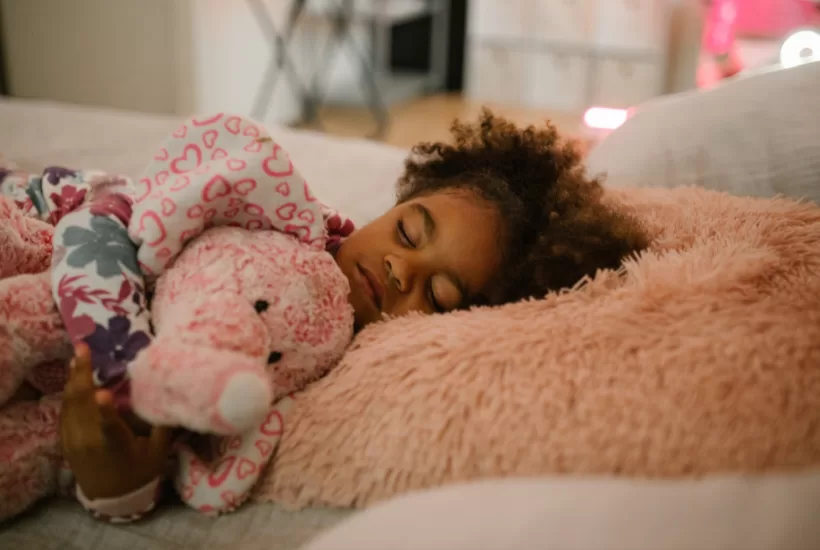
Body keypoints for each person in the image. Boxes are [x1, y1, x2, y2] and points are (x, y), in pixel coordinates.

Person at [56, 109, 648, 515]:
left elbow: (201, 439)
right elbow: (149, 203)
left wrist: (119, 487)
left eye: (438, 295)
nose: (399, 270)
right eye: (410, 232)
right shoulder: (289, 220)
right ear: (399, 204)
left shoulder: (318, 363)